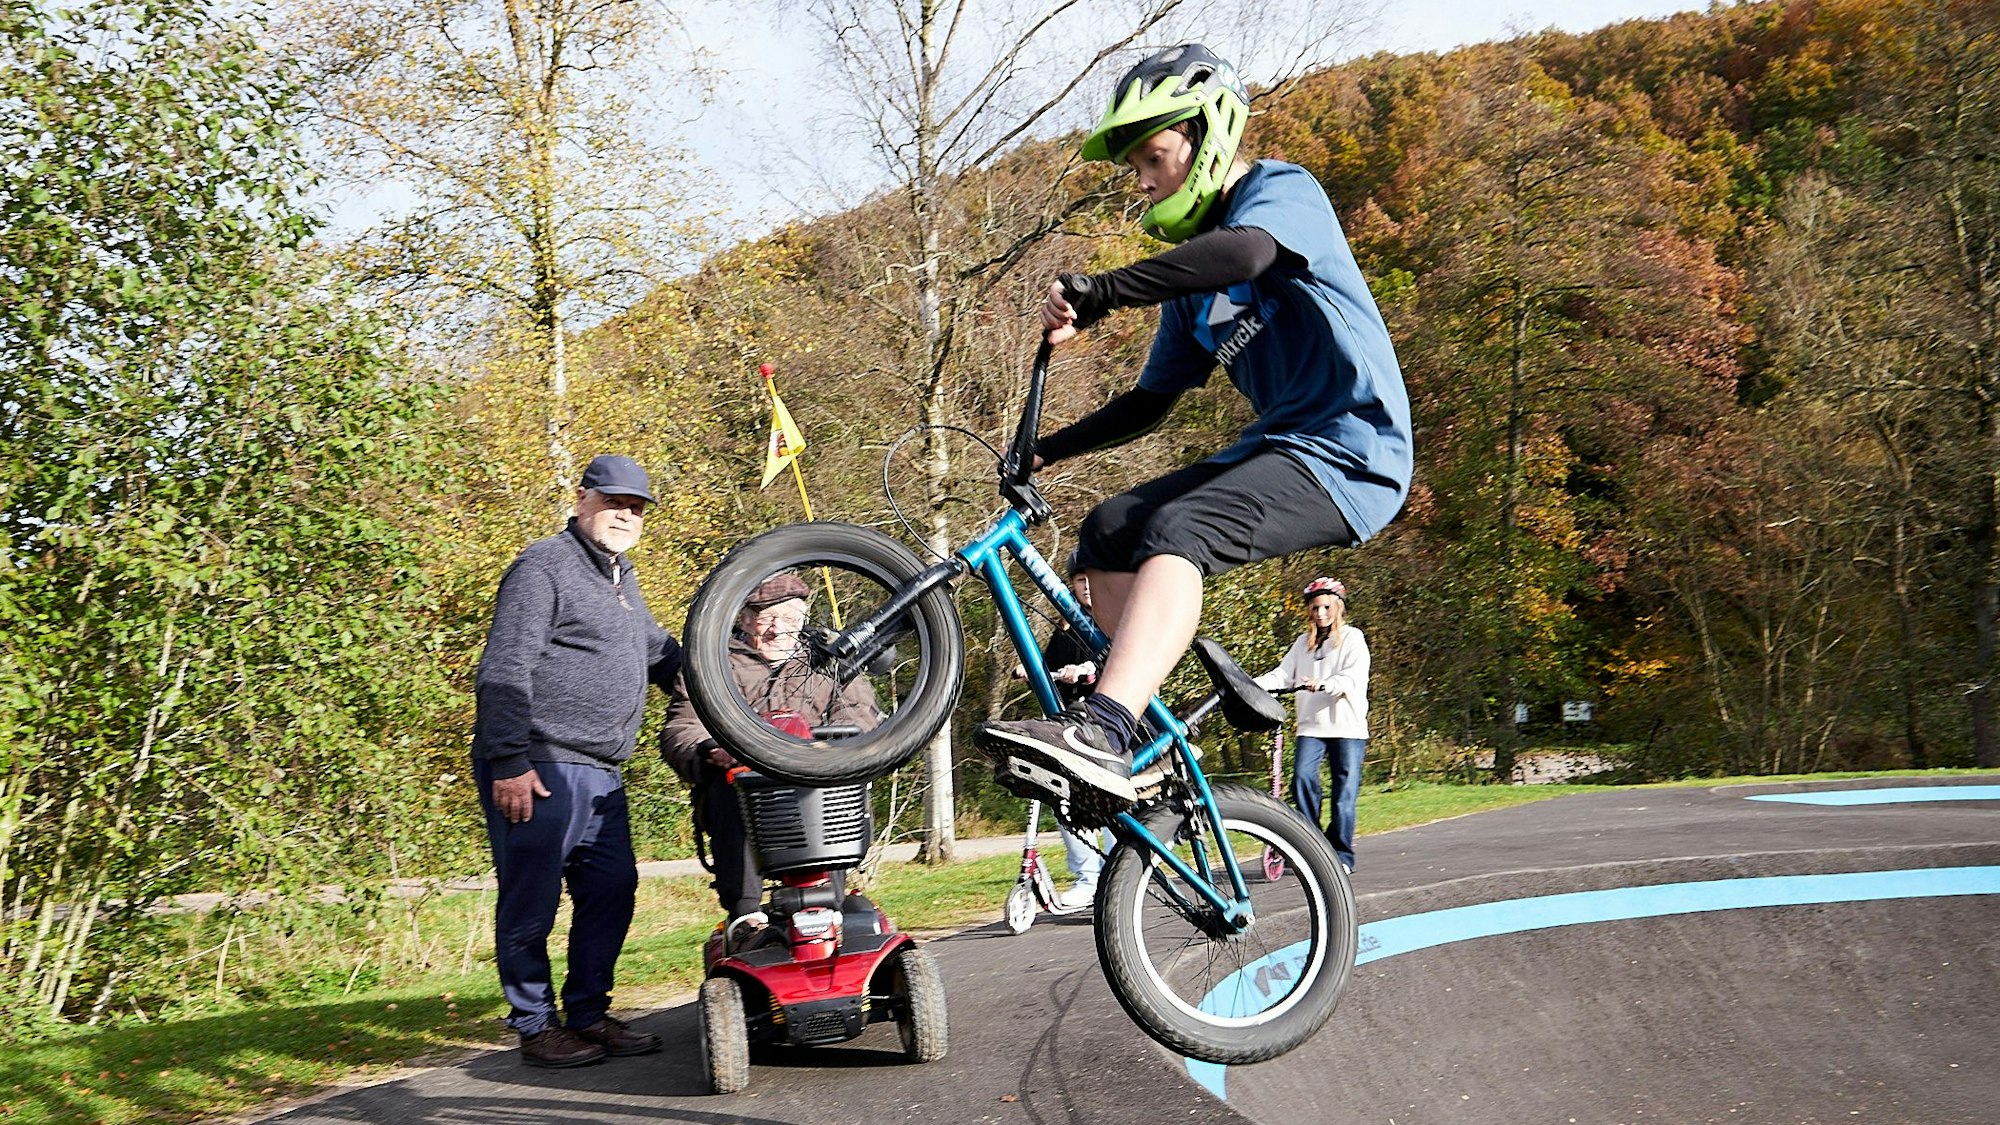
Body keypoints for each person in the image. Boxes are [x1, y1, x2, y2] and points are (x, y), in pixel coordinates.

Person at [975, 43, 1412, 826]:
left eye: (1154, 157)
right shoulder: (1193, 295)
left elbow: (1246, 251)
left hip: (1354, 451)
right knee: (1112, 527)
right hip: (1285, 448)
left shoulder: (1282, 191)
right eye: (1136, 167)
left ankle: (1104, 728)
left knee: (1181, 530)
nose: (1144, 181)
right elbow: (1152, 402)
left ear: (1207, 135)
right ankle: (1139, 734)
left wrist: (1107, 290)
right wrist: (1048, 448)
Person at [469, 454, 682, 1069]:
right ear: (583, 499)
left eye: (636, 508)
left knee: (612, 888)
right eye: (614, 502)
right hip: (539, 764)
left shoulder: (621, 579)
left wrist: (730, 674)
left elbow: (661, 655)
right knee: (531, 900)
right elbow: (504, 668)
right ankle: (536, 1027)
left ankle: (587, 1013)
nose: (626, 515)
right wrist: (509, 761)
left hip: (601, 771)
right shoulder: (544, 567)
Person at [660, 572, 883, 951]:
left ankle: (831, 905)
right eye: (768, 618)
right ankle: (746, 916)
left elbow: (861, 715)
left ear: (804, 618)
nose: (779, 629)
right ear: (746, 619)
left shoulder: (827, 658)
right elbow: (683, 727)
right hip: (748, 789)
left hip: (814, 783)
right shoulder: (712, 665)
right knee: (730, 789)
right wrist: (710, 751)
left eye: (791, 619)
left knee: (836, 785)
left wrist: (829, 750)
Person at [1010, 552, 1109, 908]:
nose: (1086, 587)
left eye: (1091, 579)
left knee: (1112, 800)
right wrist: (1030, 669)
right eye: (1080, 581)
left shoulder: (1113, 618)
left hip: (1109, 724)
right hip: (1073, 724)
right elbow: (1048, 663)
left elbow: (1115, 658)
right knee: (1065, 797)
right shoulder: (1067, 627)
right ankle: (1088, 878)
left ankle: (1118, 873)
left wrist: (1086, 670)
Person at [1256, 577, 1370, 872]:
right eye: (1315, 608)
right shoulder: (1302, 644)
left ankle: (1341, 855)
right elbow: (1283, 676)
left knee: (1344, 796)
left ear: (1338, 607)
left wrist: (1325, 684)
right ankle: (1314, 847)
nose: (1320, 613)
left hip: (1347, 728)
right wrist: (1249, 684)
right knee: (1302, 780)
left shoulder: (1353, 638)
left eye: (1326, 607)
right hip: (1311, 727)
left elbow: (1353, 678)